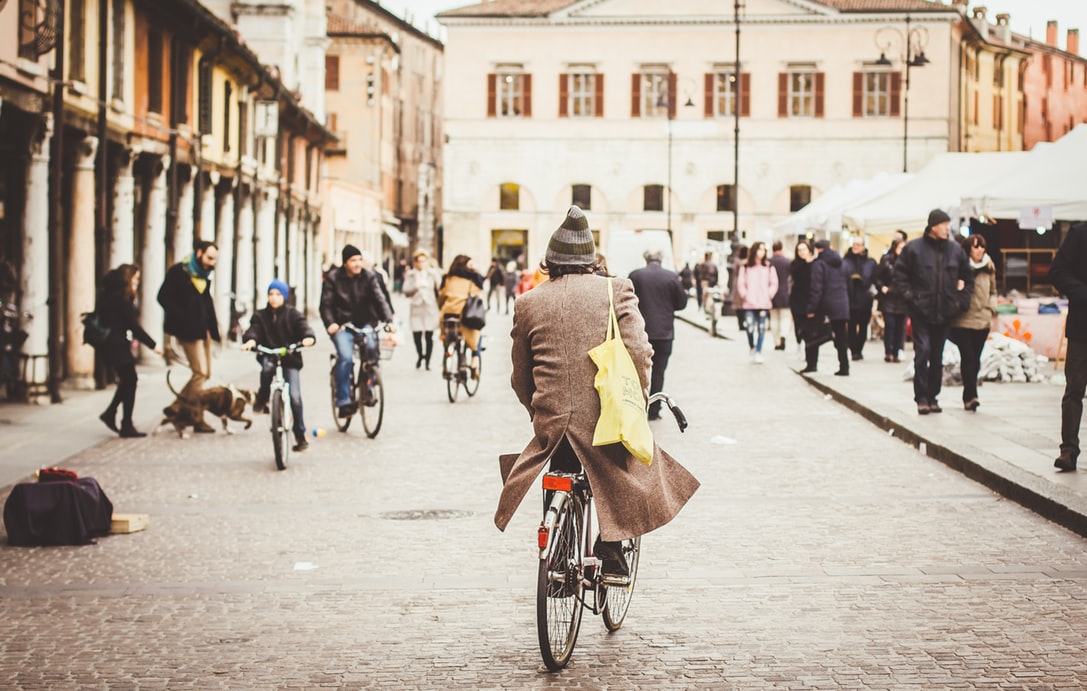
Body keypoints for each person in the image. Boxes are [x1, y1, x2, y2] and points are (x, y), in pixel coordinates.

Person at [496, 205, 699, 579]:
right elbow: (639, 352)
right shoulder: (615, 289)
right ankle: (612, 551)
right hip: (604, 414)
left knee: (560, 468)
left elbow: (520, 375)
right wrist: (637, 398)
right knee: (626, 468)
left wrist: (539, 411)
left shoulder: (528, 302)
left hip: (553, 419)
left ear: (550, 260)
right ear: (591, 259)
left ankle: (558, 562)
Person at [892, 209, 973, 415]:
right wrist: (910, 297)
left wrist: (960, 303)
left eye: (948, 224)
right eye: (943, 225)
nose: (947, 228)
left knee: (937, 356)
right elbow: (899, 275)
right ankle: (921, 397)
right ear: (933, 227)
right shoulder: (914, 248)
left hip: (945, 312)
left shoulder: (955, 250)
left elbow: (968, 277)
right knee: (923, 352)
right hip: (921, 311)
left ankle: (933, 396)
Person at [320, 244, 396, 419]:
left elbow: (379, 299)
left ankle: (367, 387)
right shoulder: (333, 278)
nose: (357, 264)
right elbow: (326, 304)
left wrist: (389, 321)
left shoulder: (368, 277)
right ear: (345, 262)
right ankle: (343, 400)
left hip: (365, 322)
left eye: (359, 259)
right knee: (346, 357)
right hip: (342, 325)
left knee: (372, 350)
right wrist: (331, 323)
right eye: (353, 260)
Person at [241, 280, 316, 451]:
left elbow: (304, 327)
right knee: (267, 369)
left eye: (278, 294)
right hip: (269, 355)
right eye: (271, 294)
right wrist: (250, 341)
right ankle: (263, 398)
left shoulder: (293, 314)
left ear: (285, 296)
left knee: (295, 396)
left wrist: (308, 337)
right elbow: (254, 330)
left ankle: (300, 434)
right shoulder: (260, 315)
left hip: (290, 359)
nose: (274, 298)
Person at [157, 240, 220, 433]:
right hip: (187, 331)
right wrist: (183, 318)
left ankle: (177, 408)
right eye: (209, 258)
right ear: (199, 253)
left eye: (214, 259)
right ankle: (195, 416)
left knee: (205, 373)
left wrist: (214, 329)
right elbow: (163, 297)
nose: (212, 263)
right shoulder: (179, 272)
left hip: (203, 330)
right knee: (199, 373)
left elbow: (206, 302)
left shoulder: (204, 275)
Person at [97, 264, 163, 438]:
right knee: (130, 380)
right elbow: (133, 326)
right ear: (128, 279)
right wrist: (153, 345)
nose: (138, 282)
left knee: (128, 380)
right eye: (136, 279)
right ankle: (125, 423)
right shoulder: (122, 298)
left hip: (112, 344)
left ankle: (112, 414)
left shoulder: (108, 295)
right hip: (117, 345)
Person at [628, 248, 688, 419]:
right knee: (659, 372)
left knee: (636, 372)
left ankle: (636, 408)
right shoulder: (671, 276)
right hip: (664, 332)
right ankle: (653, 411)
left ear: (646, 259)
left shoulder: (635, 276)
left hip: (640, 331)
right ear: (661, 259)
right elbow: (681, 303)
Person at [1048, 222, 1087, 471]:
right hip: (1083, 327)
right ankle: (1069, 450)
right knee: (1075, 389)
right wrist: (1083, 293)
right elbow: (1057, 272)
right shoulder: (1080, 234)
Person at [949, 235, 996, 413]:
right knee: (967, 357)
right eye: (976, 247)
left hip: (983, 320)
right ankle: (970, 396)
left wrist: (991, 307)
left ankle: (970, 393)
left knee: (975, 359)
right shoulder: (960, 266)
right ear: (968, 249)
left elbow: (993, 290)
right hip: (963, 320)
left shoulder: (989, 266)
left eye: (982, 247)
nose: (980, 250)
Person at [804, 239, 850, 376]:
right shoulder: (843, 263)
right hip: (842, 304)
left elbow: (816, 288)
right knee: (841, 338)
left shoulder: (819, 264)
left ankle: (812, 364)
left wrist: (811, 308)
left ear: (818, 249)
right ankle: (844, 367)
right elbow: (849, 284)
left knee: (814, 335)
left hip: (826, 305)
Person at [438, 254, 485, 377]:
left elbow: (441, 297)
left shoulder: (448, 279)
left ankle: (446, 362)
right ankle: (475, 359)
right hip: (465, 317)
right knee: (477, 334)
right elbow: (478, 296)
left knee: (447, 337)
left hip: (448, 315)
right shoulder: (472, 280)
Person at [736, 241, 778, 364]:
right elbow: (741, 283)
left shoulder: (769, 266)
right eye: (759, 249)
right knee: (749, 327)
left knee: (761, 328)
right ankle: (752, 347)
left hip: (763, 303)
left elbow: (774, 283)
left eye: (763, 250)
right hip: (749, 303)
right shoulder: (745, 267)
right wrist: (745, 295)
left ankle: (759, 351)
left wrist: (769, 294)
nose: (762, 252)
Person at [402, 250, 442, 370]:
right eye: (418, 261)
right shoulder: (410, 274)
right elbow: (405, 291)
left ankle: (428, 361)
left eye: (423, 261)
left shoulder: (433, 274)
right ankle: (420, 355)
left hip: (430, 307)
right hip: (416, 307)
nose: (421, 264)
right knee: (417, 334)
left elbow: (439, 288)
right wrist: (416, 287)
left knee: (429, 335)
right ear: (415, 262)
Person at [843, 236, 877, 361]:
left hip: (865, 299)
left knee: (863, 326)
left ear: (863, 247)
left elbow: (874, 279)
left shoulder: (870, 262)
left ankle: (859, 349)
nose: (855, 246)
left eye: (858, 244)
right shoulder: (846, 260)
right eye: (854, 244)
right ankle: (853, 351)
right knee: (851, 326)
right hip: (850, 298)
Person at [875, 237, 908, 362]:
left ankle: (896, 352)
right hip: (889, 298)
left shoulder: (908, 262)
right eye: (900, 248)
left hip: (902, 298)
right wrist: (882, 287)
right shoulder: (887, 260)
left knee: (900, 327)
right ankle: (888, 351)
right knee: (890, 325)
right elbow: (877, 276)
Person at [788, 239, 814, 359]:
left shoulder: (814, 264)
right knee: (798, 324)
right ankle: (799, 343)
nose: (802, 252)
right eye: (799, 250)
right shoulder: (795, 265)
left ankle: (808, 346)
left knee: (809, 325)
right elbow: (795, 277)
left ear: (809, 250)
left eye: (804, 249)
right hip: (797, 299)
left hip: (810, 299)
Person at [769, 241, 791, 351]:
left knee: (774, 318)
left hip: (771, 294)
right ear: (782, 249)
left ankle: (777, 341)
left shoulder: (768, 262)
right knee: (785, 317)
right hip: (785, 293)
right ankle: (783, 335)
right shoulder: (788, 262)